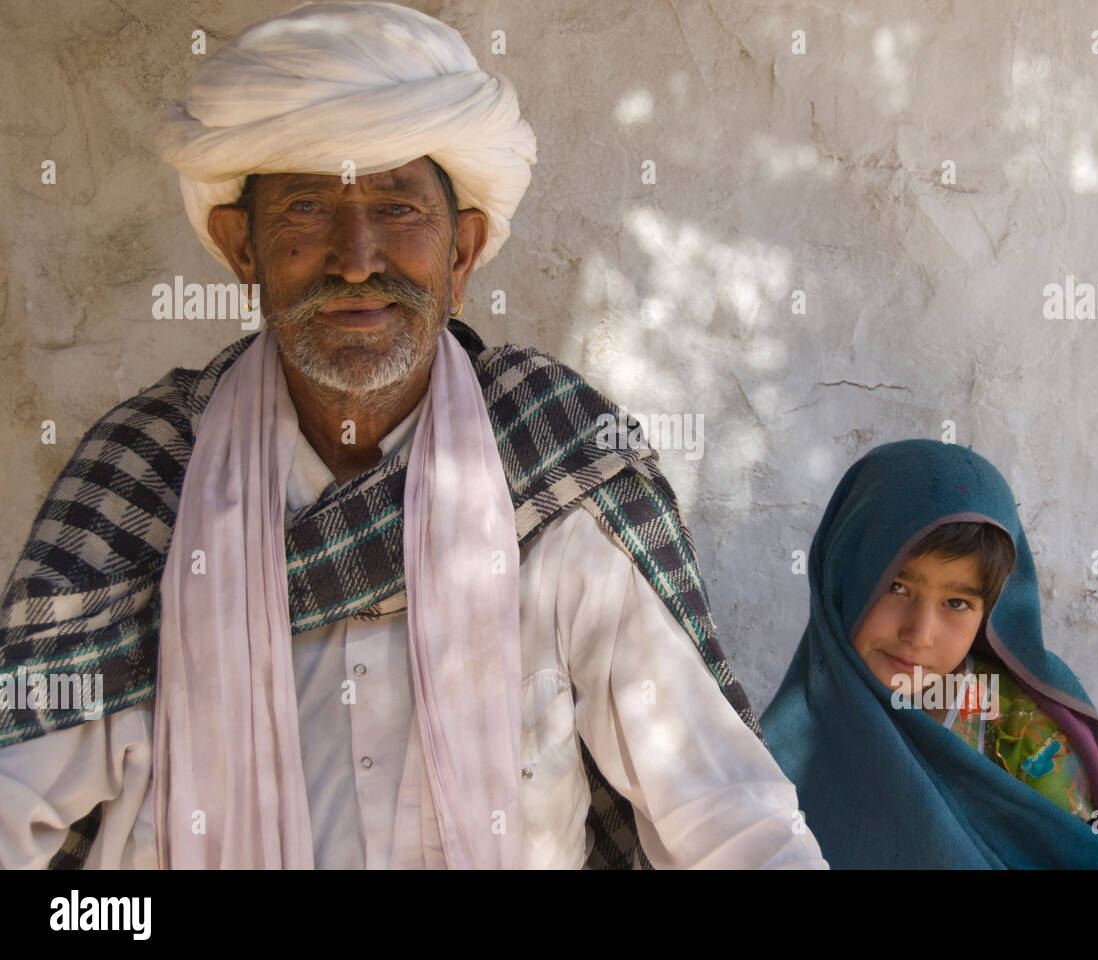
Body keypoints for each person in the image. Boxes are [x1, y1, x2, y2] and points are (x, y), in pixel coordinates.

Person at [0, 2, 825, 871]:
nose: (357, 258)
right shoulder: (145, 475)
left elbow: (728, 817)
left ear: (462, 254)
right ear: (240, 246)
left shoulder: (556, 462)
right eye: (309, 206)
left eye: (399, 208)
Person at [761, 439, 1098, 868]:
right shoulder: (777, 749)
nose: (919, 633)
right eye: (896, 587)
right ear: (842, 572)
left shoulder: (1022, 735)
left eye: (957, 603)